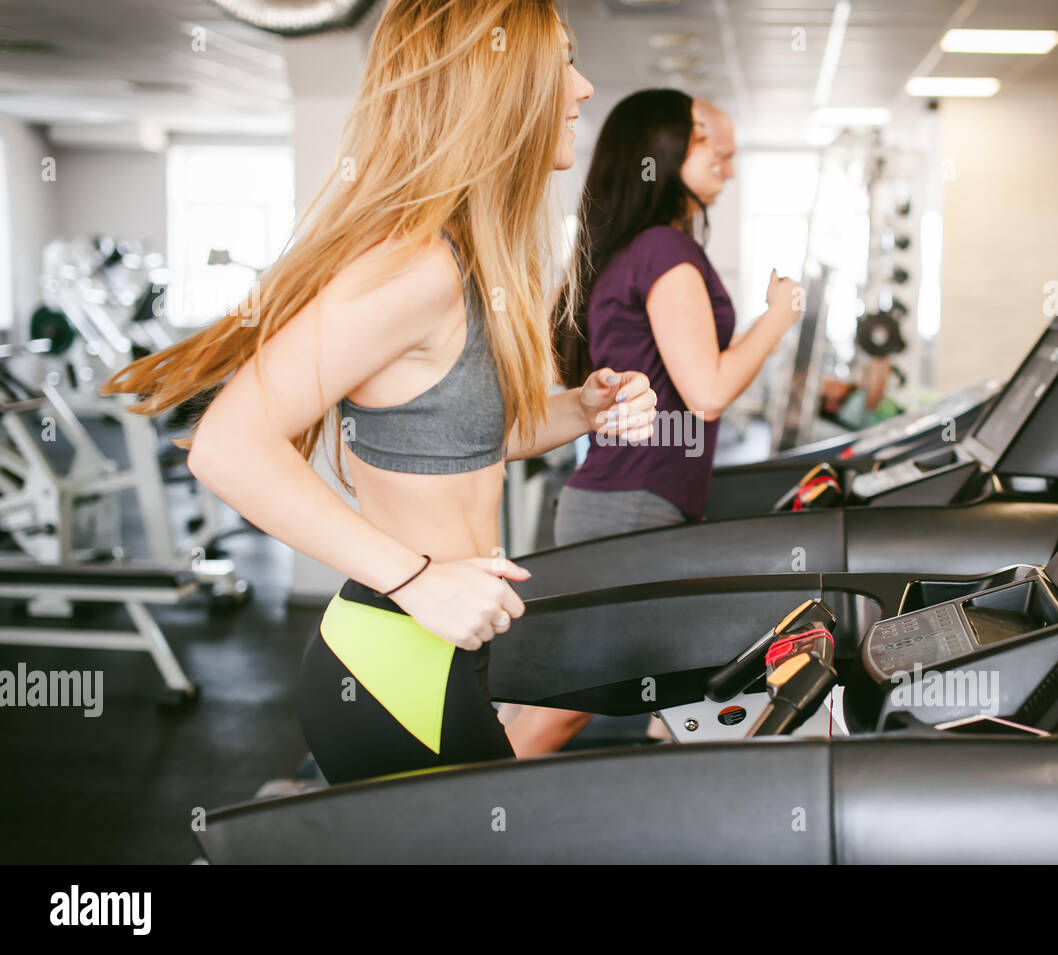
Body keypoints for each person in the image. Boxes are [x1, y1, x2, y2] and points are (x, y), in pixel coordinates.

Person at [100, 0, 657, 781]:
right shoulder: (416, 267)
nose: (585, 87)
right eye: (563, 61)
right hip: (394, 661)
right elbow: (228, 447)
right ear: (497, 80)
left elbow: (463, 442)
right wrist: (418, 578)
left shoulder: (466, 261)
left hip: (438, 653)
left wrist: (582, 408)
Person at [552, 90, 801, 545]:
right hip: (632, 506)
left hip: (626, 501)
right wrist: (779, 315)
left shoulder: (635, 248)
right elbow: (707, 393)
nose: (724, 165)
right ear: (660, 151)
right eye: (701, 140)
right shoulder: (662, 248)